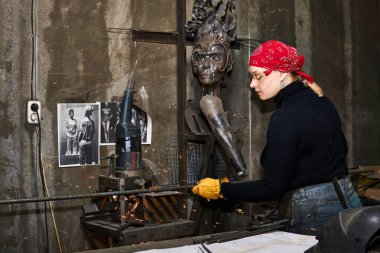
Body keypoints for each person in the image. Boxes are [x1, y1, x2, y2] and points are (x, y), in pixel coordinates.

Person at [192, 40, 362, 235]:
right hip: (345, 194)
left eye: (258, 76)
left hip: (315, 207)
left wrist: (222, 189)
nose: (252, 84)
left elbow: (272, 188)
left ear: (281, 72)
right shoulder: (320, 100)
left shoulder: (286, 116)